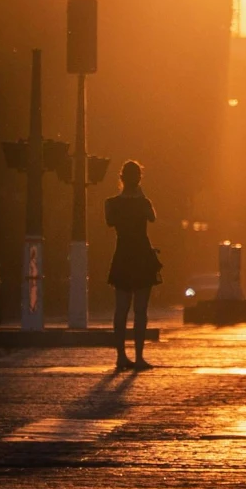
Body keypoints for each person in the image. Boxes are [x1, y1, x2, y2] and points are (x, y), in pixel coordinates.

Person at [104, 159, 160, 372]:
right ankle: (139, 357)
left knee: (120, 310)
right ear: (139, 179)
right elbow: (152, 218)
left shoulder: (111, 204)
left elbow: (110, 222)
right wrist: (140, 195)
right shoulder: (143, 203)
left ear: (121, 178)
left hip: (123, 255)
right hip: (142, 255)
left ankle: (120, 356)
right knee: (141, 311)